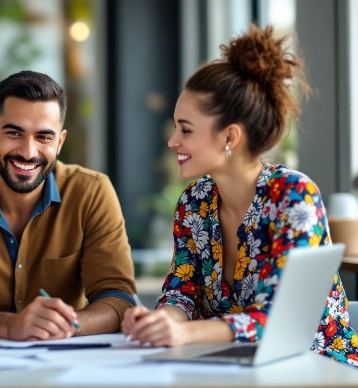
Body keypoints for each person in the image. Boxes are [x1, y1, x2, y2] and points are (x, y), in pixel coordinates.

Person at [121, 24, 358, 366]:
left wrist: (187, 334)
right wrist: (160, 321)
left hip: (316, 368)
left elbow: (283, 317)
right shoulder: (194, 202)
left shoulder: (292, 196)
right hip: (229, 367)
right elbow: (181, 292)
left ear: (230, 137)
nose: (174, 141)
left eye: (185, 129)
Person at [0, 70, 137, 340]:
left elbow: (120, 299)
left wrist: (59, 326)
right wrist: (9, 326)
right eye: (15, 133)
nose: (29, 152)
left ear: (60, 142)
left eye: (44, 137)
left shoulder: (92, 192)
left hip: (64, 366)